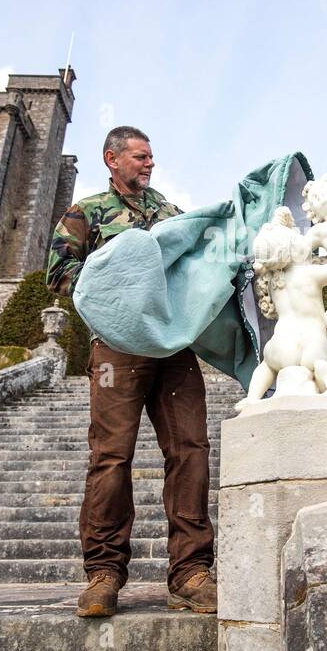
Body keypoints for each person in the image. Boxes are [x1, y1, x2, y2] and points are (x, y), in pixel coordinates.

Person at [46, 126, 217, 618]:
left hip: (172, 349)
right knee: (111, 457)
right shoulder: (88, 212)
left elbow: (198, 263)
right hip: (116, 351)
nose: (149, 164)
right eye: (140, 157)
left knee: (190, 450)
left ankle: (190, 574)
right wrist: (118, 289)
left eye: (151, 157)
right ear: (112, 159)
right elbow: (59, 273)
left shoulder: (170, 212)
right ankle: (103, 574)